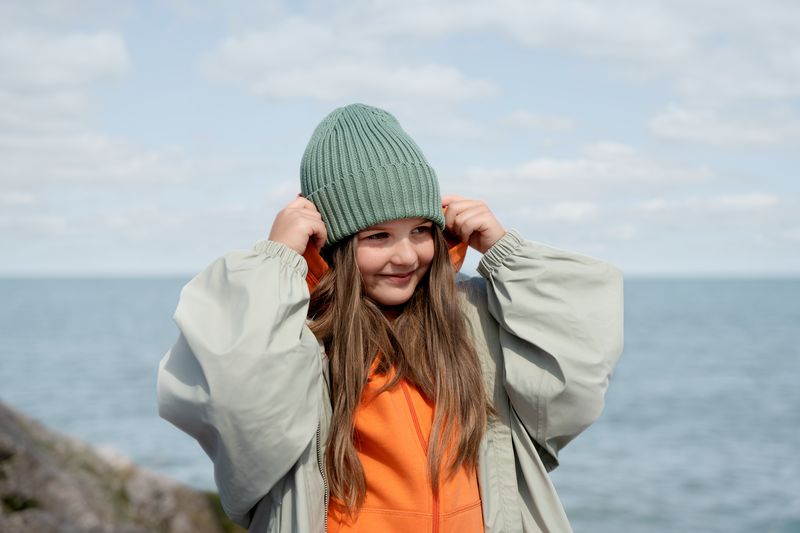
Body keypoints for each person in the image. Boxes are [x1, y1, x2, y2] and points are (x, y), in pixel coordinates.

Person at [157, 103, 624, 533]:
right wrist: (276, 262)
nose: (405, 256)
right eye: (377, 236)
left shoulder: (474, 316)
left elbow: (576, 378)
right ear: (332, 242)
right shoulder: (297, 334)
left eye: (420, 230)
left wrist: (507, 254)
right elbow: (238, 411)